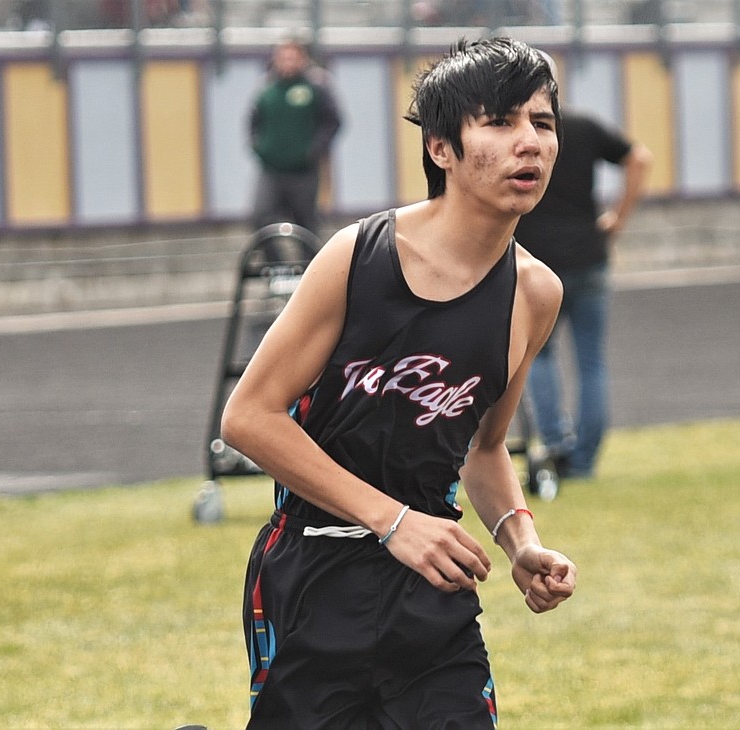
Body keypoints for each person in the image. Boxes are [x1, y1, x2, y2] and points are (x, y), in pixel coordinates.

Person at [220, 37, 577, 728]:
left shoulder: (536, 293)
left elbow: (484, 448)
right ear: (441, 147)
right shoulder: (357, 257)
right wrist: (391, 521)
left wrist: (521, 543)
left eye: (542, 122)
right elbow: (249, 417)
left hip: (432, 594)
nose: (528, 143)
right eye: (500, 123)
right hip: (310, 578)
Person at [514, 63, 652, 480]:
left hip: (537, 262)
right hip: (589, 255)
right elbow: (639, 158)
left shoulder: (512, 135)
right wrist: (617, 218)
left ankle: (555, 444)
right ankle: (585, 459)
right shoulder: (583, 125)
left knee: (537, 356)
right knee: (591, 361)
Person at [248, 39, 342, 238]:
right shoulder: (266, 89)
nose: (288, 62)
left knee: (306, 224)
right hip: (271, 169)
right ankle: (275, 263)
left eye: (293, 57)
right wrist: (259, 147)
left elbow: (333, 121)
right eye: (284, 57)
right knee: (260, 217)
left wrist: (313, 150)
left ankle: (310, 266)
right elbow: (253, 122)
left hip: (304, 172)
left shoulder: (316, 87)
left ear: (302, 59)